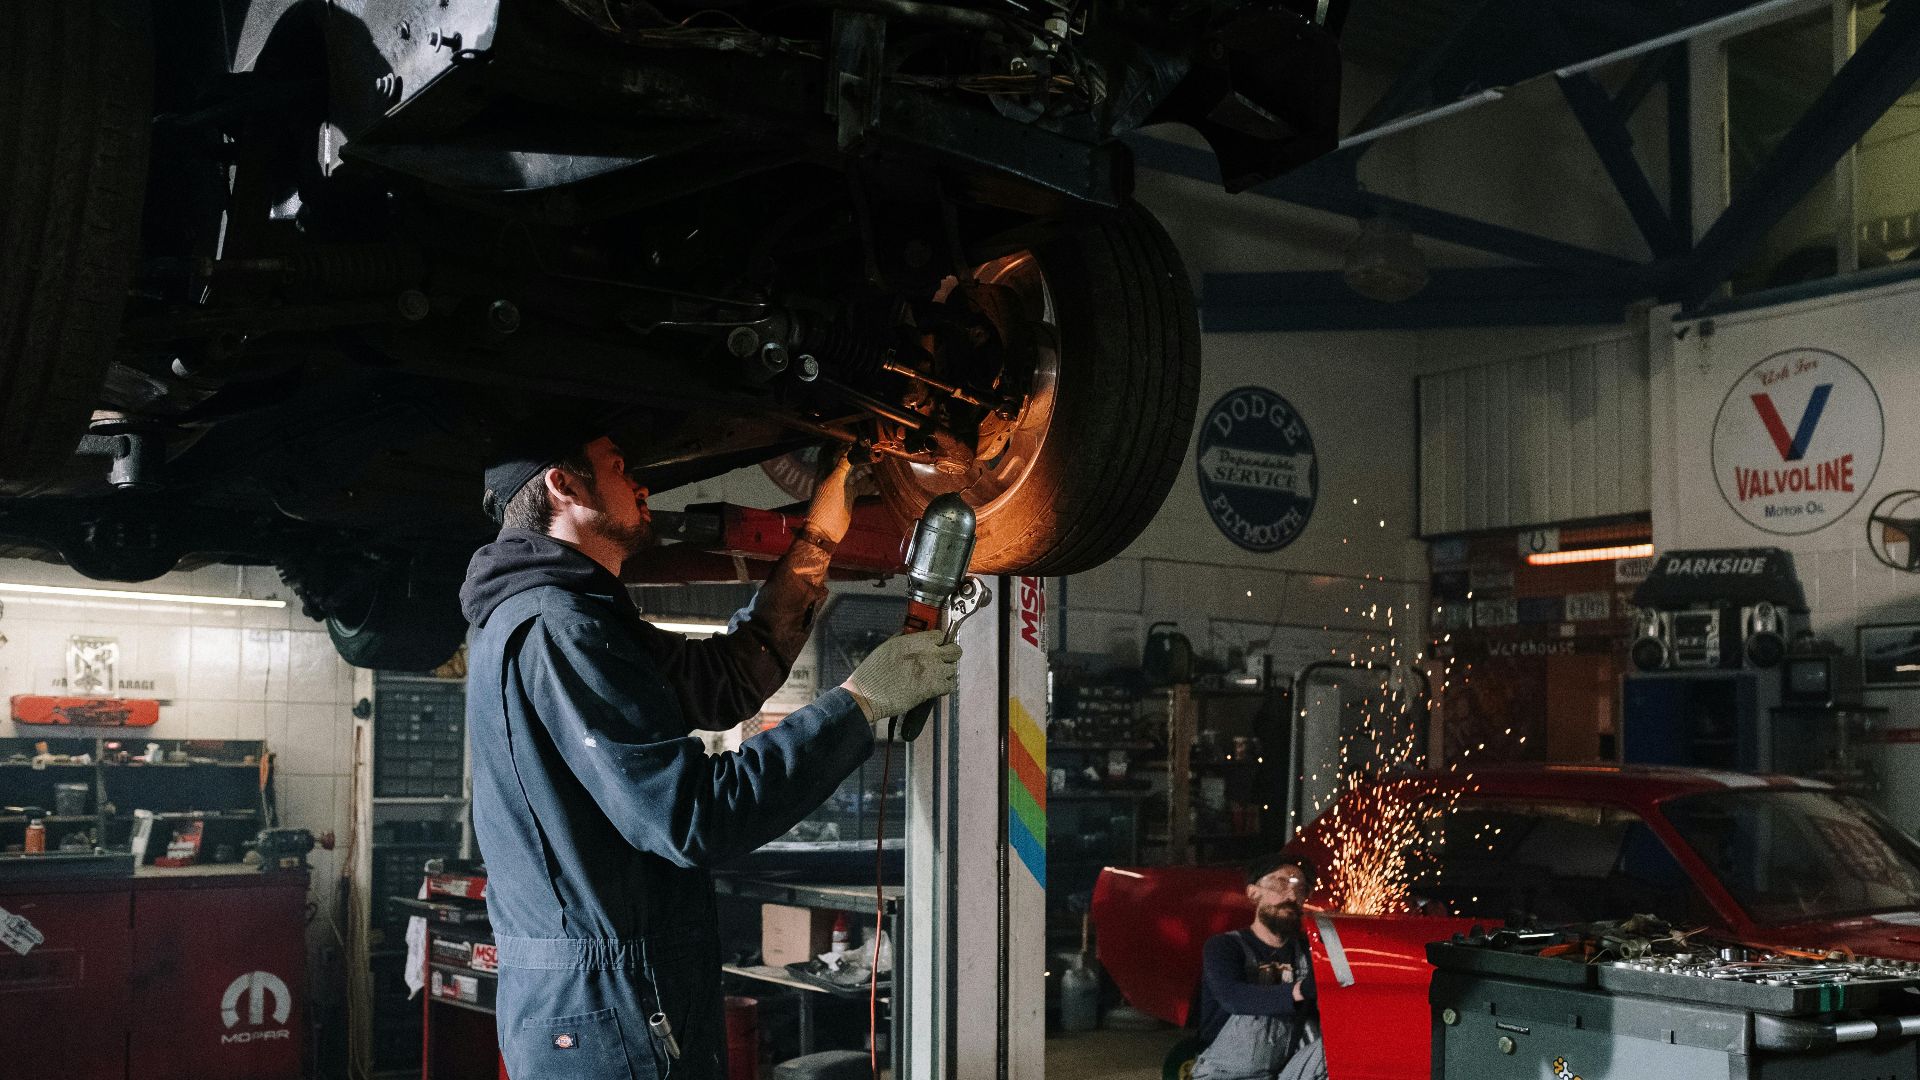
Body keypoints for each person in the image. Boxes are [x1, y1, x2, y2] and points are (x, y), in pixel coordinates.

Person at [460, 431, 959, 1080]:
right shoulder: (561, 629)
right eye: (619, 468)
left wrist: (821, 530)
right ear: (565, 485)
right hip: (612, 1011)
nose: (641, 485)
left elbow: (725, 676)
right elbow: (695, 818)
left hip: (596, 1002)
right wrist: (858, 704)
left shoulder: (555, 617)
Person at [1190, 853, 1327, 1080]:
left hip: (1291, 1071)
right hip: (1229, 1073)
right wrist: (1301, 990)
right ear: (1253, 893)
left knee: (1343, 1047)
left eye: (1301, 889)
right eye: (1281, 884)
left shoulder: (1311, 952)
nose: (1292, 895)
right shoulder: (1224, 947)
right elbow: (1234, 997)